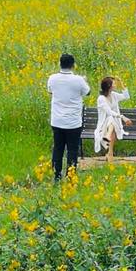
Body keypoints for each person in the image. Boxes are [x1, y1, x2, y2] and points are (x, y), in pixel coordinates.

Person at [47, 53, 90, 181]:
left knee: (58, 148)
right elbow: (88, 92)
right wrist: (84, 80)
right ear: (73, 65)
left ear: (60, 64)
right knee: (72, 150)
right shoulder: (78, 80)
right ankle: (71, 176)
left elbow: (50, 91)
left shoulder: (52, 78)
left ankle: (56, 175)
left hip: (57, 121)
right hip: (73, 122)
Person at [94, 76, 132, 161]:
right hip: (103, 124)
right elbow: (109, 112)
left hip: (114, 123)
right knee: (110, 119)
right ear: (109, 85)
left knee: (112, 122)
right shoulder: (101, 99)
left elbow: (126, 96)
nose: (115, 85)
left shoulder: (114, 95)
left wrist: (122, 84)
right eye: (114, 83)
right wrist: (122, 117)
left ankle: (109, 148)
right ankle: (110, 153)